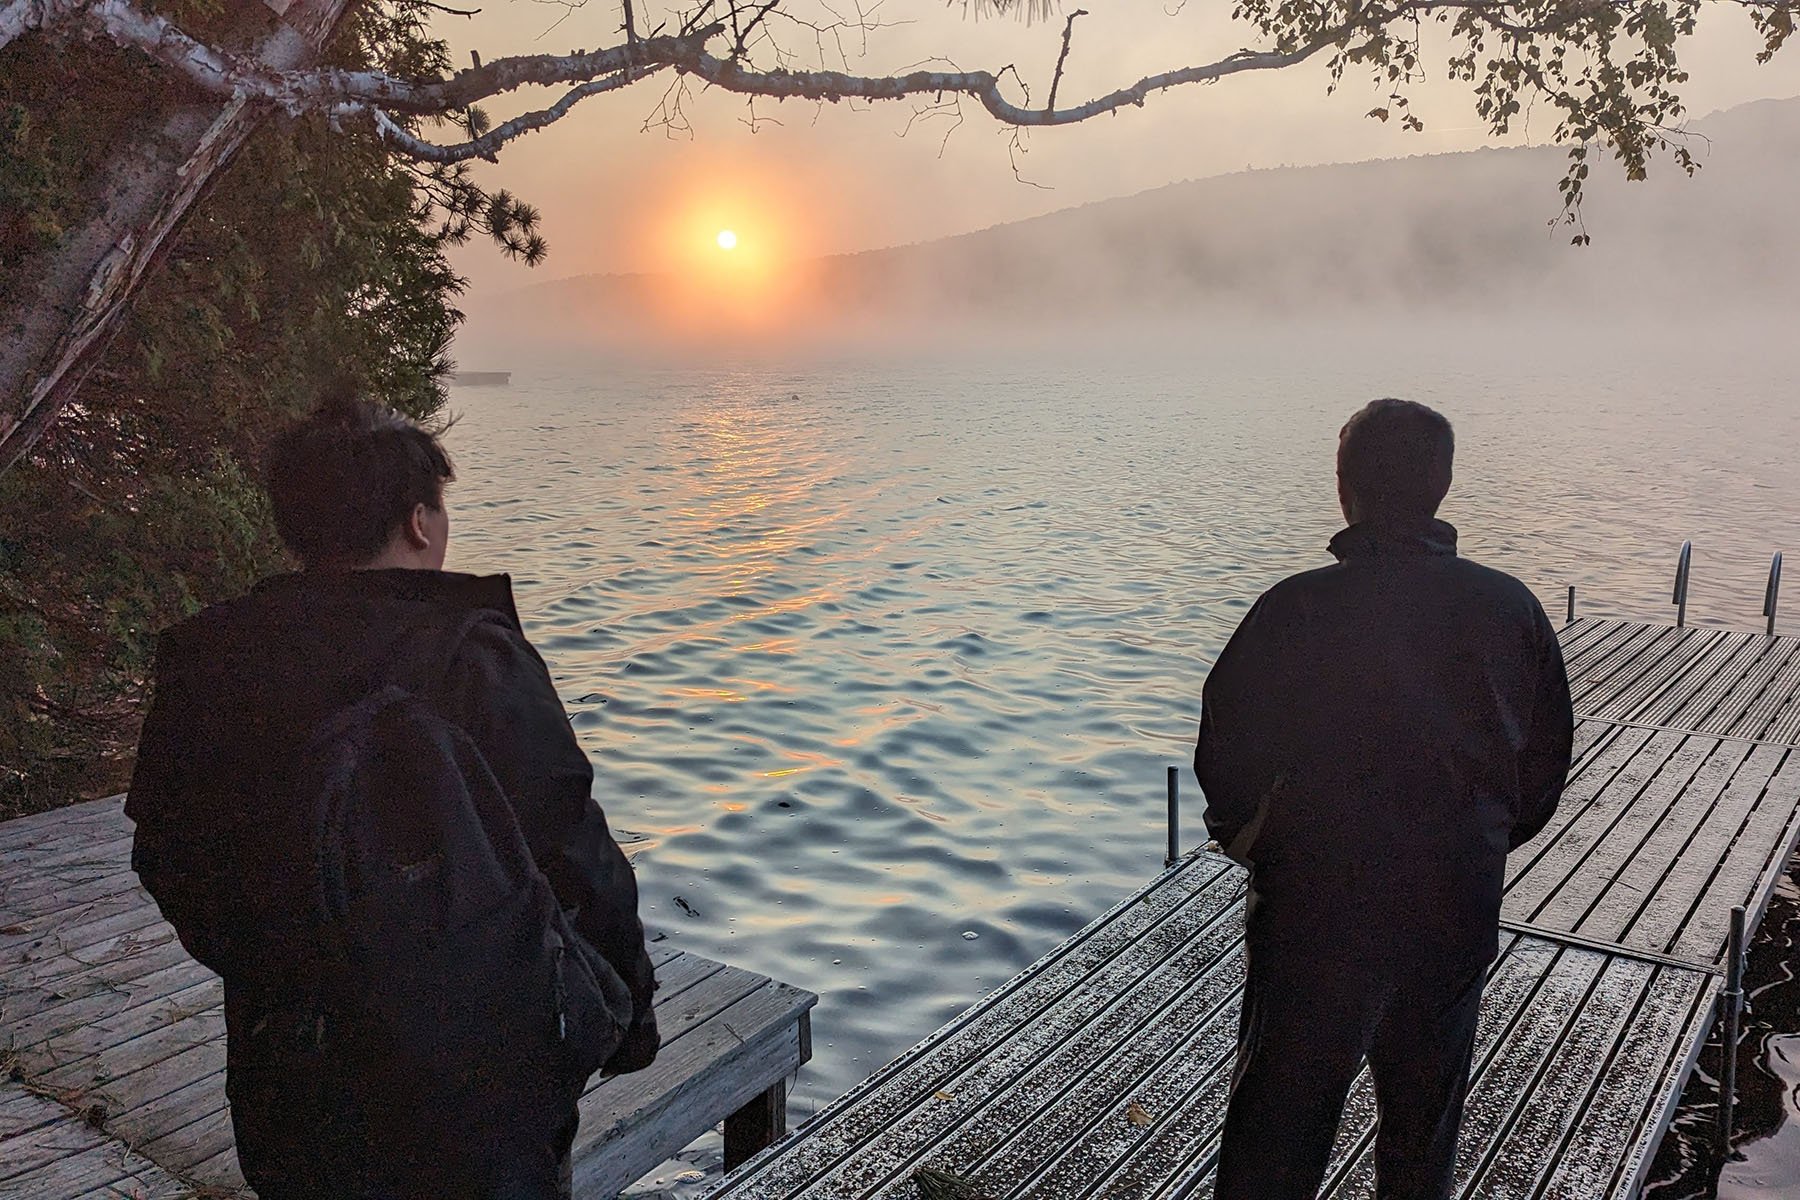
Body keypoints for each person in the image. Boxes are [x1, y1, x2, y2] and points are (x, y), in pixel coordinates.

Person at [128, 392, 659, 1199]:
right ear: (419, 522)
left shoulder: (212, 658)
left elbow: (166, 852)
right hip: (471, 1094)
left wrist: (276, 968)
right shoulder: (471, 658)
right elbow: (572, 850)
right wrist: (625, 1017)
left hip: (288, 1077)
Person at [1195, 398, 1573, 1200]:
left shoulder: (1294, 608)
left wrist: (1260, 840)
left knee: (1276, 1132)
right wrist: (1478, 839)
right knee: (1421, 1134)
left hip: (1316, 912)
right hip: (1453, 904)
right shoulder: (1511, 608)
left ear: (1346, 489)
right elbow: (1542, 769)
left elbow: (1226, 755)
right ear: (1442, 485)